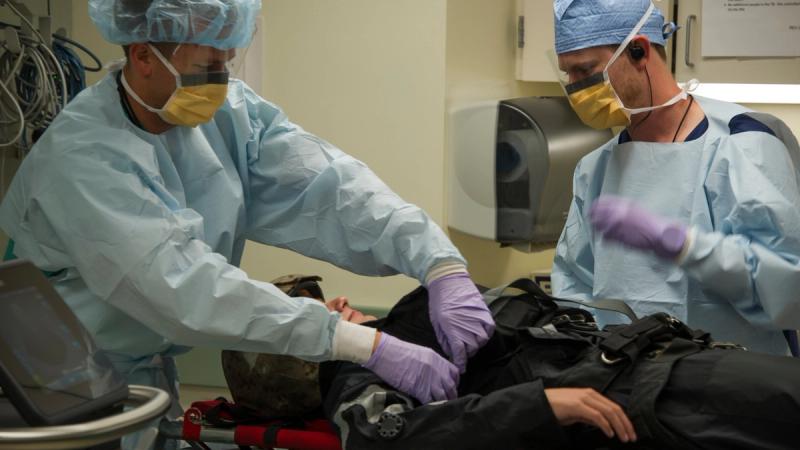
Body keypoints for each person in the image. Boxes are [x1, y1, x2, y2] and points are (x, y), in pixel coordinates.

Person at [0, 0, 495, 442]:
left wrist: (438, 263)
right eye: (203, 68)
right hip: (55, 386)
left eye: (225, 64)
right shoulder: (84, 158)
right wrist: (361, 343)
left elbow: (331, 186)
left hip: (139, 380)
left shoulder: (230, 115)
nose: (218, 83)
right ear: (143, 55)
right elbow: (183, 286)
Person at [221, 276, 800, 450]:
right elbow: (389, 441)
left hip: (661, 362)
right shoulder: (355, 378)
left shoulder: (402, 323)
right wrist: (542, 403)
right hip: (637, 396)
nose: (339, 304)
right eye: (318, 313)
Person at [550, 0, 800, 356]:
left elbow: (785, 290)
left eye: (586, 71)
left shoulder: (740, 146)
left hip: (735, 385)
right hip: (628, 383)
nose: (576, 88)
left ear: (639, 51)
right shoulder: (596, 169)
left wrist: (680, 244)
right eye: (568, 74)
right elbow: (573, 285)